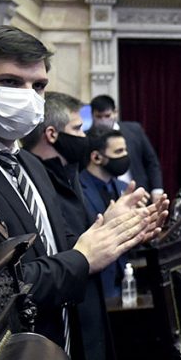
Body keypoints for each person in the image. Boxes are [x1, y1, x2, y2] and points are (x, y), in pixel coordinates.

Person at [0, 26, 166, 360]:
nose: (28, 96)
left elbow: (56, 250)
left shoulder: (31, 164)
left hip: (68, 352)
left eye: (39, 86)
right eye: (11, 82)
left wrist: (111, 231)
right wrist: (83, 258)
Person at [21, 91, 120, 360]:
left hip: (87, 309)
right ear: (52, 134)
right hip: (53, 324)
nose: (85, 137)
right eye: (78, 129)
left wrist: (113, 226)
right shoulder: (34, 175)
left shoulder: (68, 172)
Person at [79, 127, 131, 299]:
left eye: (125, 150)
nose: (125, 156)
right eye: (118, 151)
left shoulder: (124, 188)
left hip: (124, 280)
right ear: (96, 157)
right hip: (96, 285)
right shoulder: (77, 190)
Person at [89, 94, 163, 197]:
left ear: (115, 112)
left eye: (107, 116)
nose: (103, 121)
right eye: (99, 117)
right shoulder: (88, 138)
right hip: (107, 195)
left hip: (140, 192)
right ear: (92, 115)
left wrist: (157, 190)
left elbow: (151, 161)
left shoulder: (134, 130)